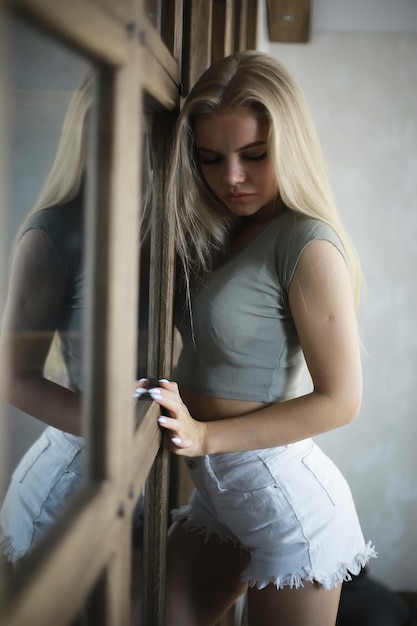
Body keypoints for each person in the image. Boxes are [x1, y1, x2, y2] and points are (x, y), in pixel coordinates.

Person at [142, 50, 377, 626]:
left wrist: (202, 437)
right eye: (210, 159)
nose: (232, 178)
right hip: (223, 501)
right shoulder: (227, 229)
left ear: (288, 146)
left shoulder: (307, 243)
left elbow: (341, 400)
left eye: (254, 156)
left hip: (287, 505)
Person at [0, 72, 92, 566]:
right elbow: (13, 377)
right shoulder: (52, 232)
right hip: (58, 500)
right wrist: (114, 431)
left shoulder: (169, 232)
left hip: (135, 491)